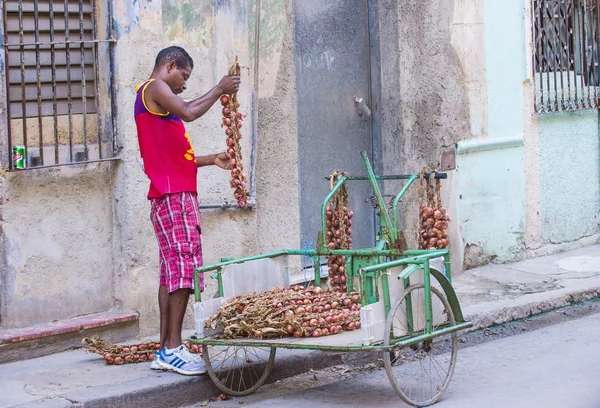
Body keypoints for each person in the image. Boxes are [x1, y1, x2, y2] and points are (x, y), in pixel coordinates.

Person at [134, 46, 240, 375]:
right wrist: (221, 88)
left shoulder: (154, 100)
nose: (183, 86)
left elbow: (174, 155)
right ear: (170, 65)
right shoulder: (155, 88)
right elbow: (191, 111)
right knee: (182, 270)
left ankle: (166, 350)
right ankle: (172, 347)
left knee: (171, 272)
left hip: (169, 193)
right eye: (184, 76)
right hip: (174, 196)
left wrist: (211, 159)